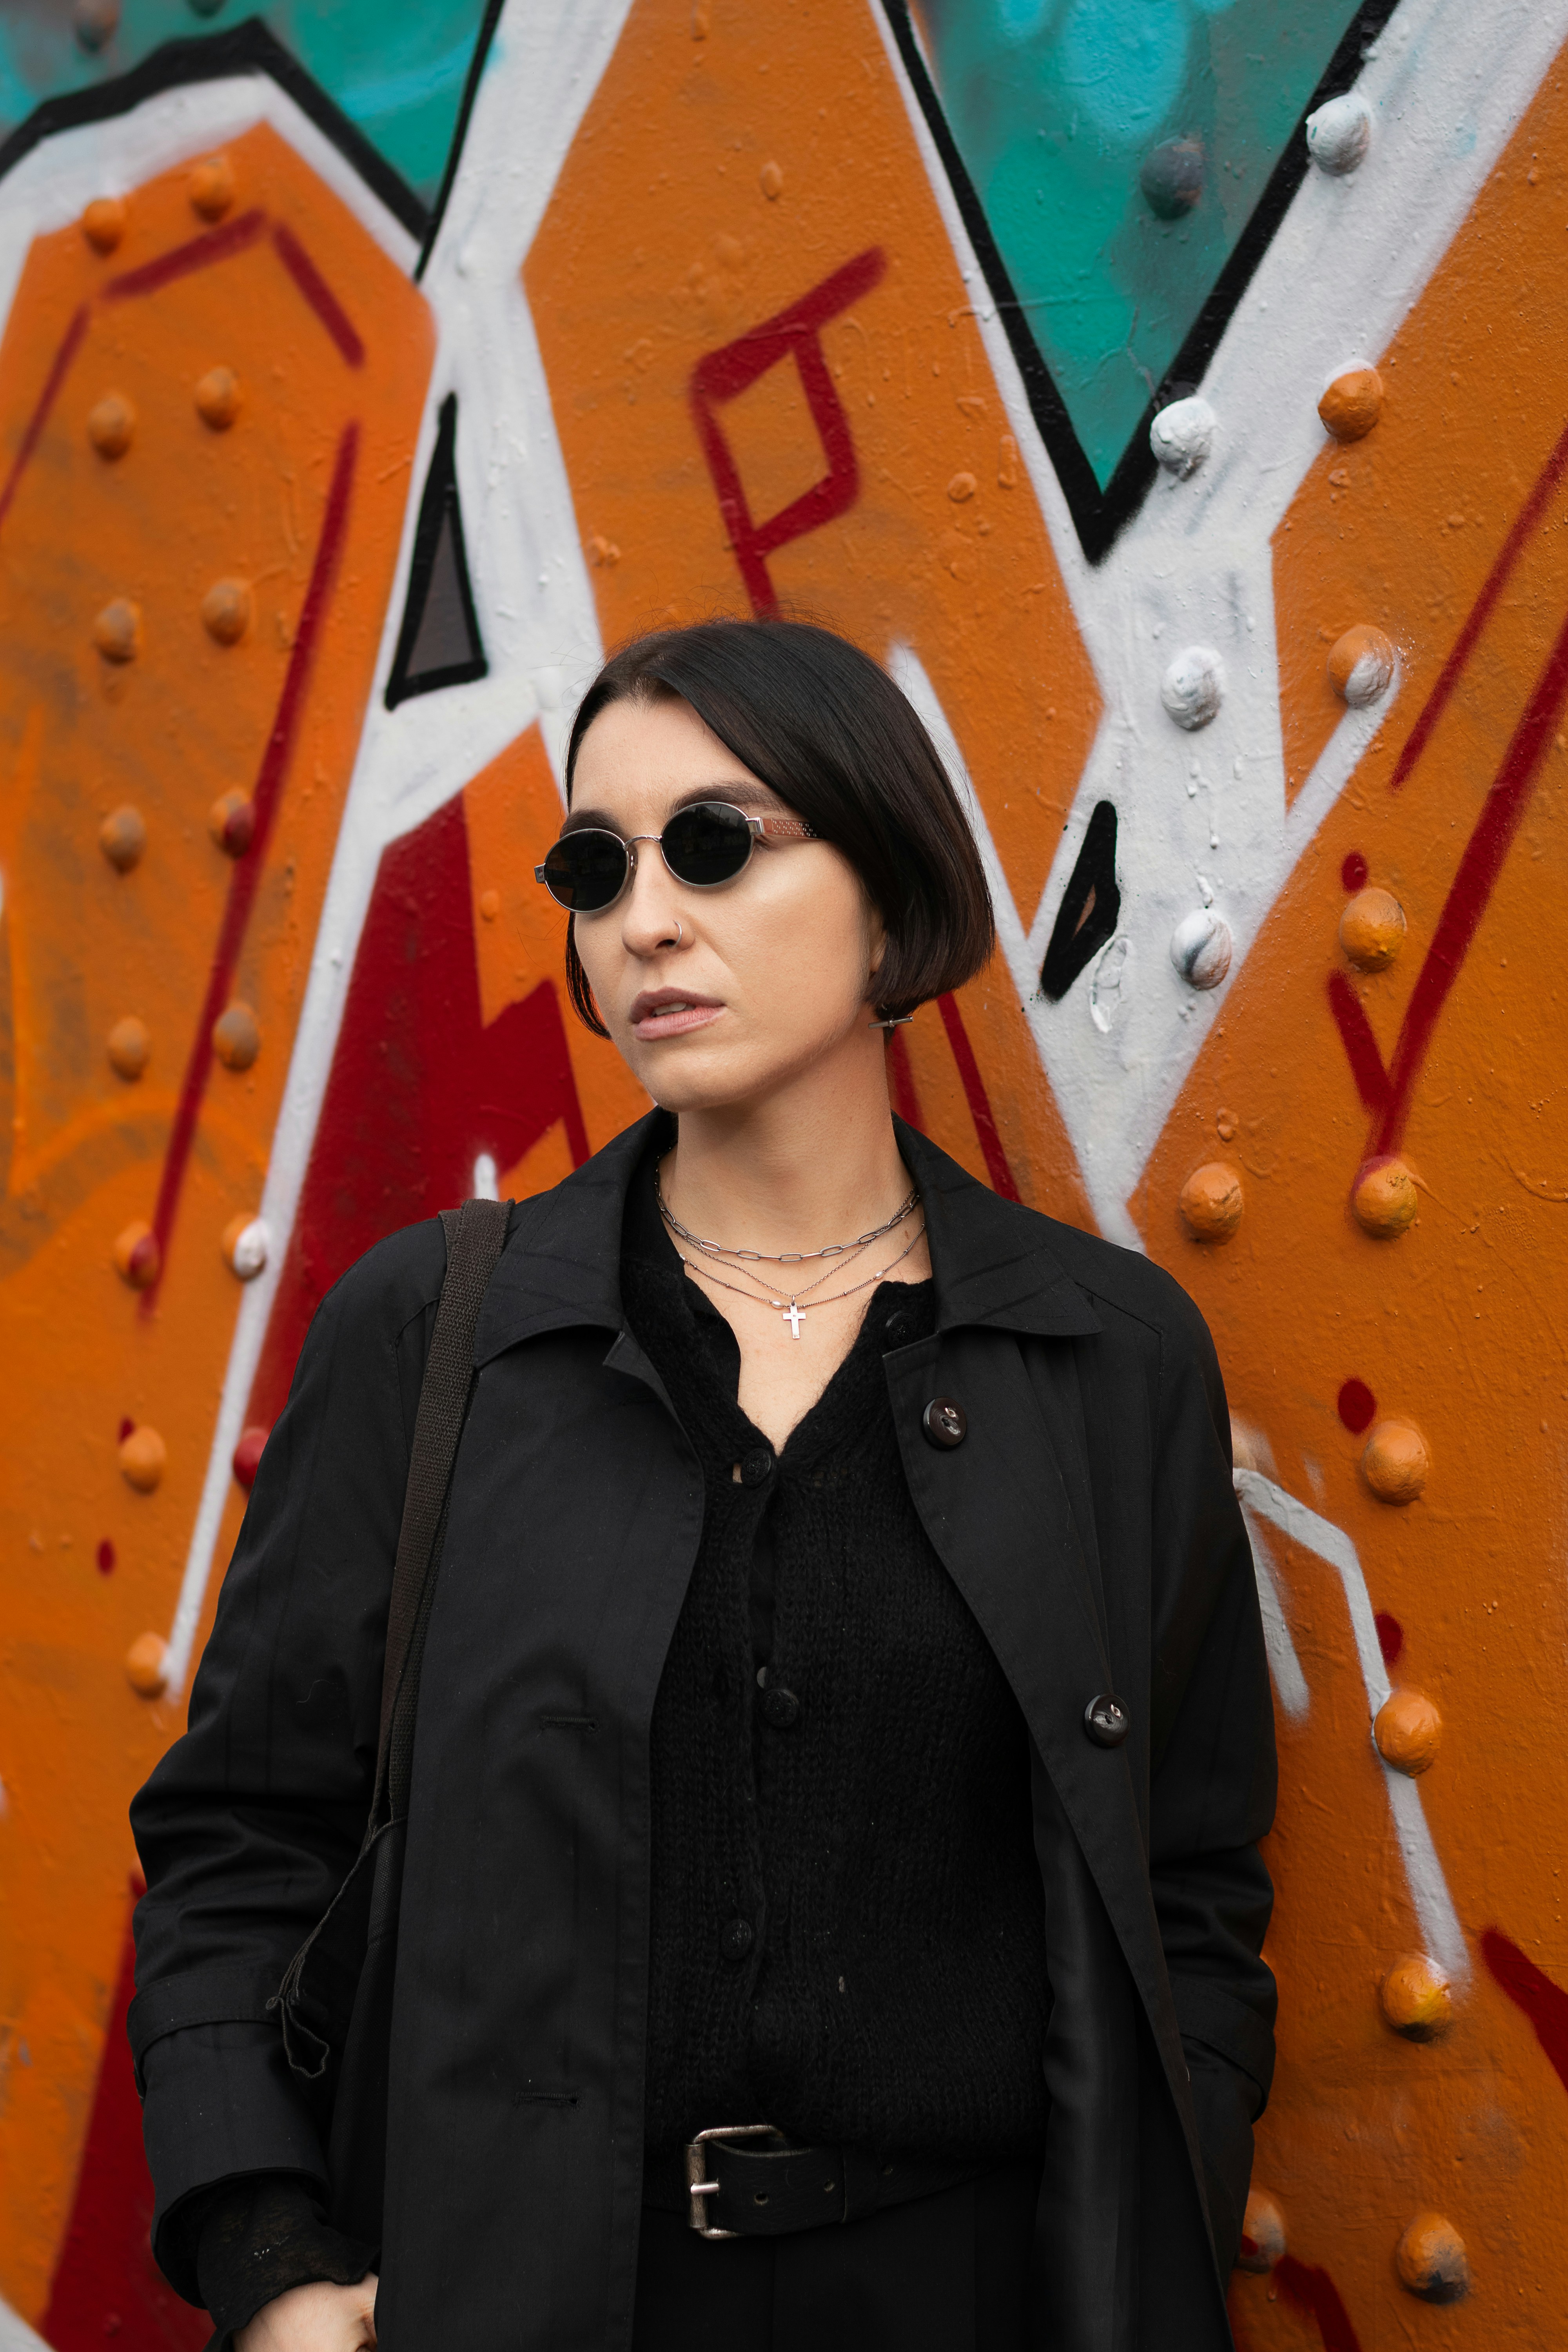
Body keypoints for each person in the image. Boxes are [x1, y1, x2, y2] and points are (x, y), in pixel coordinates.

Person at [130, 617, 1277, 2352]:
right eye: (596, 867)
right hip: (526, 2297)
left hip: (968, 2300)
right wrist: (271, 2260)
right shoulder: (435, 1334)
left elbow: (1185, 1881)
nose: (643, 917)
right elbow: (243, 1839)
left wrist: (1142, 2219)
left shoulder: (1107, 1361)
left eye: (718, 845)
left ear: (887, 895)